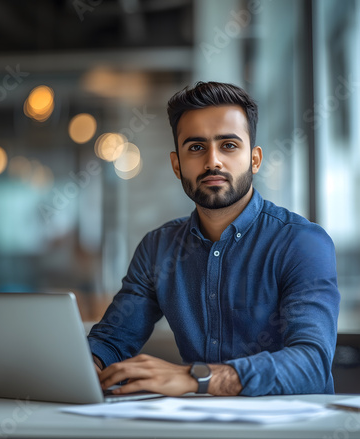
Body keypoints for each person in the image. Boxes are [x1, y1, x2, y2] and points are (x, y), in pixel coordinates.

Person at [88, 81, 340, 397]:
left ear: (255, 159)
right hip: (200, 425)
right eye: (196, 147)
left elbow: (311, 364)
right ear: (177, 164)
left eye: (229, 145)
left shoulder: (302, 243)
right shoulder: (158, 248)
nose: (213, 162)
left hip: (291, 429)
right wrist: (88, 366)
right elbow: (113, 340)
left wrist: (199, 378)